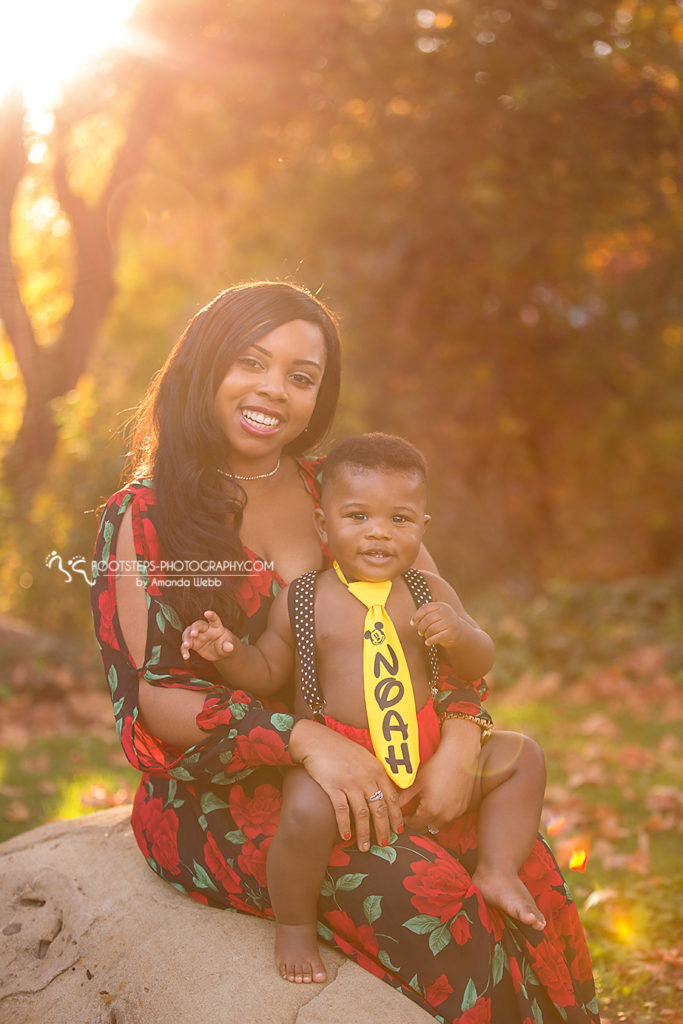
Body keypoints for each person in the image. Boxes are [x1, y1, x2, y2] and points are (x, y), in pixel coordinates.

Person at [91, 281, 600, 1022]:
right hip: (232, 793)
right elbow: (159, 699)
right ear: (204, 366)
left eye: (302, 377)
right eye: (250, 363)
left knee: (521, 861)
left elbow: (439, 625)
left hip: (388, 752)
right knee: (434, 893)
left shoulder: (342, 491)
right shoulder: (145, 517)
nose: (275, 390)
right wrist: (304, 740)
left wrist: (461, 736)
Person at [180, 432, 549, 985]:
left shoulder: (429, 592)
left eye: (400, 519)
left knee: (523, 758)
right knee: (302, 814)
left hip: (428, 758)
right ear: (324, 526)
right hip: (342, 767)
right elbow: (266, 672)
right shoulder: (303, 599)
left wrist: (461, 635)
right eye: (357, 516)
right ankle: (295, 925)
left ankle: (497, 870)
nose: (379, 531)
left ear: (422, 529)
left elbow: (479, 663)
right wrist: (228, 653)